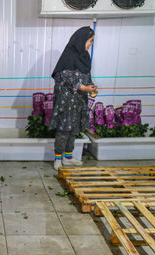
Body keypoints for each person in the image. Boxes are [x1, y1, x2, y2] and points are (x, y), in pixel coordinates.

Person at [50, 26, 98, 171]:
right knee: (64, 129)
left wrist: (91, 87)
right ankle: (58, 158)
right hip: (66, 101)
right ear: (81, 40)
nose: (91, 44)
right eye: (90, 41)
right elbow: (63, 76)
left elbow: (86, 76)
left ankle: (68, 157)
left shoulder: (85, 57)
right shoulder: (68, 56)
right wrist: (83, 87)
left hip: (79, 101)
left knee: (74, 129)